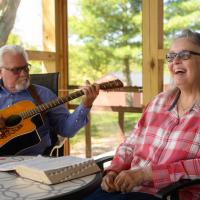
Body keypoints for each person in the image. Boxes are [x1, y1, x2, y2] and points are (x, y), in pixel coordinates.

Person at [83, 29, 200, 200]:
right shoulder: (159, 102)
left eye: (184, 55)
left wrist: (146, 174)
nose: (175, 61)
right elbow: (131, 143)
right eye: (170, 56)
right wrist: (113, 170)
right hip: (126, 189)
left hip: (166, 196)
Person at [0, 44, 99, 155]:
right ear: (0, 72)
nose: (24, 74)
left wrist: (85, 105)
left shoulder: (43, 95)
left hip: (34, 163)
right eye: (16, 70)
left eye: (26, 68)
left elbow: (67, 130)